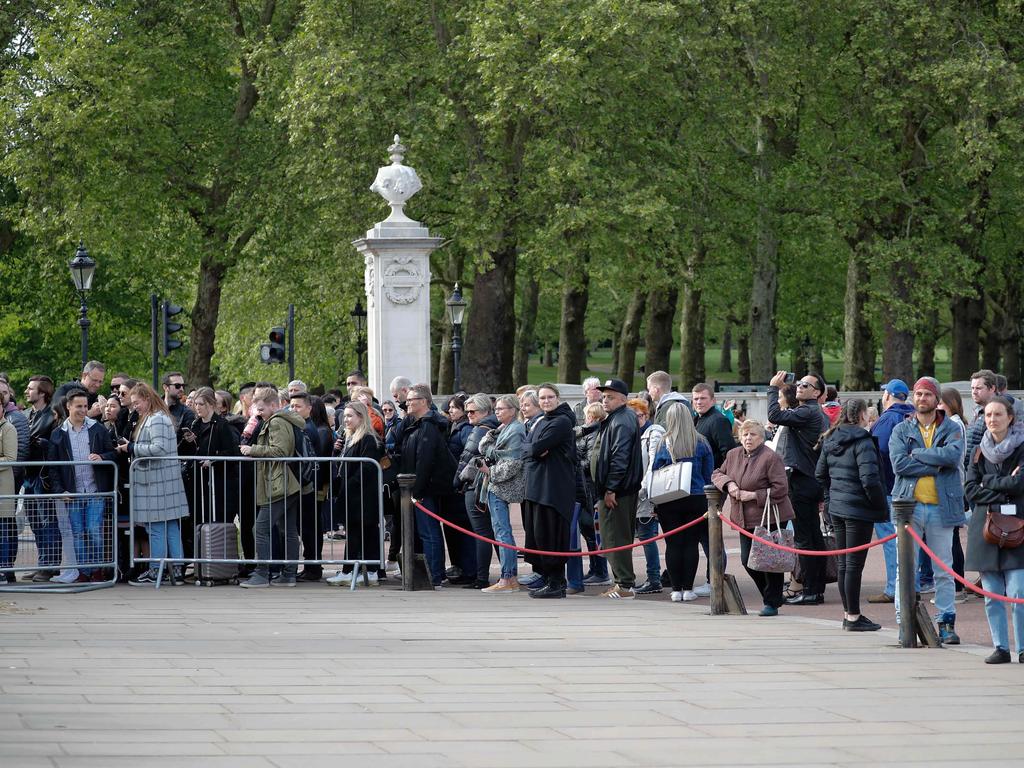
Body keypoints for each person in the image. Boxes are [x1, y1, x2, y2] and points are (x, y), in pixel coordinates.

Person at [890, 376, 966, 645]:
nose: (922, 399)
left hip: (941, 506)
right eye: (918, 394)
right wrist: (935, 461)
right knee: (905, 567)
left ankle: (946, 621)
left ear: (937, 399)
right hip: (909, 506)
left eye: (927, 394)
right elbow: (899, 464)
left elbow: (953, 457)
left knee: (943, 567)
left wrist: (918, 455)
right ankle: (905, 621)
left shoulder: (951, 428)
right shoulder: (901, 429)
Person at [815, 399, 888, 631]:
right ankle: (853, 616)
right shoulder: (862, 440)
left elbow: (820, 474)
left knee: (846, 564)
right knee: (853, 564)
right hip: (858, 509)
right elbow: (870, 479)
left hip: (837, 506)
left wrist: (830, 499)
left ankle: (850, 614)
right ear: (862, 415)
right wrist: (879, 505)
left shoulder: (830, 438)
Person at [964, 397, 1024, 664]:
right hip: (986, 528)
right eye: (988, 414)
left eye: (998, 414)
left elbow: (1020, 484)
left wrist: (988, 483)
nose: (992, 419)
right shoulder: (978, 450)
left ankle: (1022, 648)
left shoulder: (1022, 447)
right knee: (991, 595)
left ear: (1010, 417)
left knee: (1018, 593)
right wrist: (1002, 484)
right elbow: (969, 489)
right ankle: (1000, 647)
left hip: (1018, 527)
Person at [712, 419, 794, 615]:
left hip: (770, 516)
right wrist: (729, 484)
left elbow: (781, 488)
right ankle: (772, 595)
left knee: (770, 561)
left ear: (761, 437)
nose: (748, 438)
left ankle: (771, 602)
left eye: (753, 434)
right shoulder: (733, 455)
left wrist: (753, 495)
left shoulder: (770, 457)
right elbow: (717, 473)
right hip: (743, 518)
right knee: (747, 560)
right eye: (745, 434)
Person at [117, 383, 190, 587]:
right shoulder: (158, 417)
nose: (134, 407)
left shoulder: (156, 419)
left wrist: (131, 447)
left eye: (137, 402)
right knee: (171, 527)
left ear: (147, 399)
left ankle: (156, 569)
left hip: (157, 483)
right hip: (161, 482)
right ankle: (176, 569)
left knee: (157, 528)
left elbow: (158, 449)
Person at [767, 370, 830, 605]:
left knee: (805, 538)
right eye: (800, 383)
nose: (800, 387)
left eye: (806, 385)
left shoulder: (807, 411)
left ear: (817, 393)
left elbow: (774, 415)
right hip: (810, 479)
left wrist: (773, 388)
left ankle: (812, 591)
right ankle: (815, 589)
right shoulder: (815, 412)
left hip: (802, 480)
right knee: (813, 536)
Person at [238, 386, 310, 588]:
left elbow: (280, 451)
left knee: (260, 528)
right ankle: (288, 574)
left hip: (280, 483)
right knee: (288, 529)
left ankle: (262, 573)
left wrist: (253, 449)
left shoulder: (277, 422)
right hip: (286, 482)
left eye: (260, 409)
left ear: (273, 405)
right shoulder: (277, 420)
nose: (257, 413)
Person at [45, 389, 116, 583]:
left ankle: (97, 569)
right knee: (77, 532)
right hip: (72, 492)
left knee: (93, 529)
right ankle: (84, 572)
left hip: (95, 490)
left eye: (85, 406)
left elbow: (112, 453)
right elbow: (53, 468)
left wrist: (102, 457)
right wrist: (60, 491)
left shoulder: (98, 429)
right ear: (68, 407)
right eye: (79, 406)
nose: (83, 410)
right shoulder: (58, 434)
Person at [651, 402, 714, 602]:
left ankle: (675, 589)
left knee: (673, 544)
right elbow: (708, 475)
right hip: (696, 498)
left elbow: (655, 472)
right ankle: (688, 588)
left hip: (669, 499)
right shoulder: (701, 442)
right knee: (691, 544)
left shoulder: (663, 443)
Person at [398, 383, 456, 587]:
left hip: (427, 488)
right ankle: (432, 572)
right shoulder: (416, 423)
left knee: (429, 532)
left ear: (423, 402)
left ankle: (435, 574)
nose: (407, 404)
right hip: (421, 486)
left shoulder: (429, 426)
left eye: (411, 400)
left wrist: (418, 490)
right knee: (426, 532)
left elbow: (425, 460)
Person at [522, 384, 576, 598]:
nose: (546, 401)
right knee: (538, 535)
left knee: (552, 535)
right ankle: (547, 578)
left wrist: (534, 449)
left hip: (553, 489)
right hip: (537, 487)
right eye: (542, 398)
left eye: (550, 397)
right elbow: (525, 448)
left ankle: (556, 583)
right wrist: (533, 449)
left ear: (557, 398)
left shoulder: (561, 422)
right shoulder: (542, 421)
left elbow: (533, 448)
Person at [592, 379, 644, 599]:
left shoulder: (622, 420)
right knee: (613, 535)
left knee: (615, 536)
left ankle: (623, 584)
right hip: (616, 489)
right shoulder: (617, 418)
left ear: (623, 399)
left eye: (610, 397)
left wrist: (611, 488)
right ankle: (621, 582)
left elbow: (619, 457)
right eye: (604, 396)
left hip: (618, 491)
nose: (605, 400)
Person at [866, 379, 914, 605]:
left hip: (889, 486)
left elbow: (880, 452)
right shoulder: (913, 416)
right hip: (910, 486)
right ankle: (909, 584)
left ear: (888, 396)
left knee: (891, 540)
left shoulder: (888, 419)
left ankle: (895, 588)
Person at [326, 401, 385, 585]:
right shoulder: (350, 438)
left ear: (361, 417)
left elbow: (366, 468)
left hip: (362, 496)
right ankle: (349, 568)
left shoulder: (367, 438)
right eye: (345, 416)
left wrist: (349, 484)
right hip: (352, 494)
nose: (346, 420)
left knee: (365, 532)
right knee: (354, 533)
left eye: (350, 416)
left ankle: (370, 570)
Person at [478, 394, 526, 593]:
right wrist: (491, 436)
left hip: (502, 486)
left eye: (501, 408)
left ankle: (508, 577)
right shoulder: (503, 428)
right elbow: (483, 447)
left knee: (503, 532)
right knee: (500, 531)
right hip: (495, 485)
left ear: (513, 410)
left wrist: (491, 471)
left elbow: (514, 462)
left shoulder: (515, 430)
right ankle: (508, 576)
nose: (497, 411)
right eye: (496, 408)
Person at [179, 387, 240, 529]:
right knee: (198, 521)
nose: (197, 408)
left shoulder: (222, 425)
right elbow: (184, 451)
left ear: (211, 404)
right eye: (196, 404)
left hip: (218, 482)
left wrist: (213, 460)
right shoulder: (195, 424)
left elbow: (232, 453)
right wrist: (187, 441)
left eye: (201, 404)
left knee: (217, 522)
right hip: (198, 481)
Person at [23, 376, 59, 581]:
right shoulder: (26, 414)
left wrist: (42, 443)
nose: (27, 391)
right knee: (35, 523)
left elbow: (54, 444)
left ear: (43, 392)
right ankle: (42, 564)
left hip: (42, 476)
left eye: (31, 389)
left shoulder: (52, 416)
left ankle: (50, 566)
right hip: (27, 475)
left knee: (48, 522)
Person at [629, 398, 664, 594]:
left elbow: (653, 463)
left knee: (647, 536)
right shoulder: (632, 434)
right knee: (638, 536)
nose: (636, 420)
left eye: (639, 416)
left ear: (646, 415)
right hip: (632, 494)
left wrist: (643, 488)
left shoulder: (653, 433)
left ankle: (654, 579)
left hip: (645, 495)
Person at [691, 383, 737, 468]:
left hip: (713, 476)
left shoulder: (719, 421)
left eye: (703, 398)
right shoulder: (695, 419)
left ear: (713, 400)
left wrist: (720, 477)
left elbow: (729, 453)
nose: (699, 402)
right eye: (696, 399)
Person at [0, 403, 19, 582]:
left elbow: (10, 458)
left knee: (3, 532)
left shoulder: (8, 428)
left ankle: (5, 570)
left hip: (3, 488)